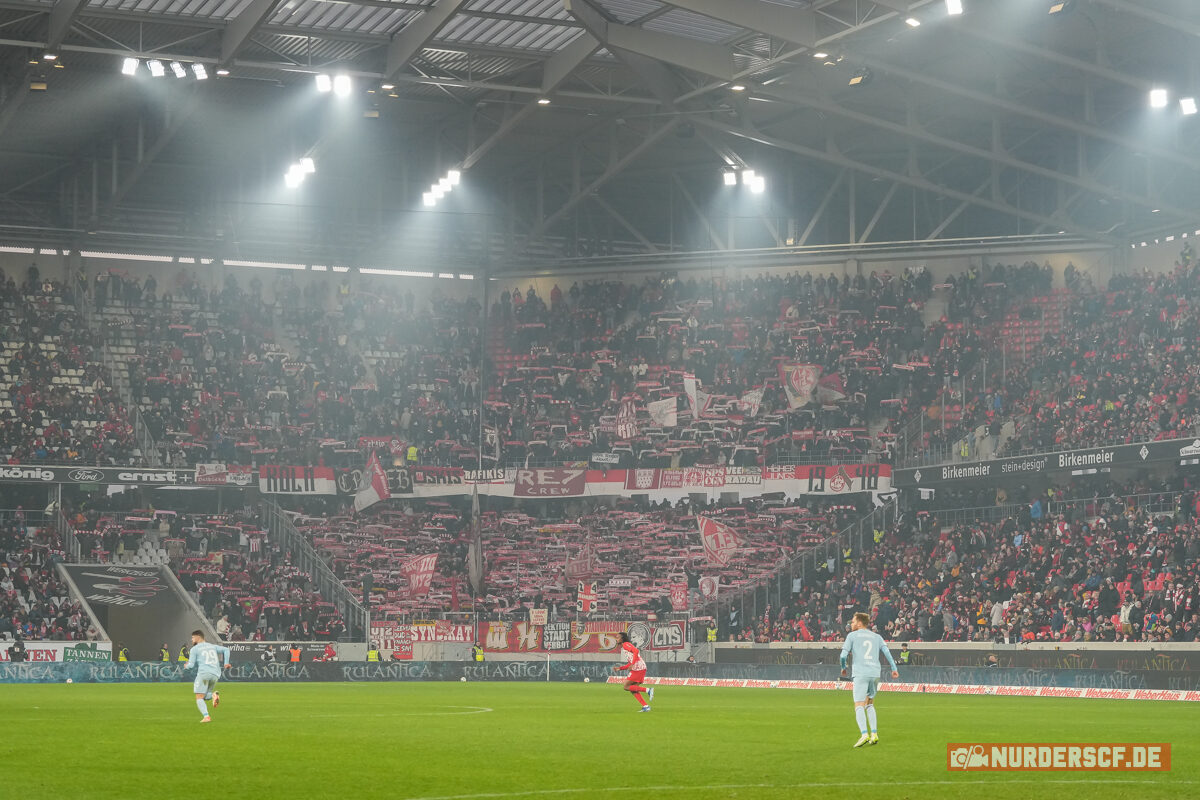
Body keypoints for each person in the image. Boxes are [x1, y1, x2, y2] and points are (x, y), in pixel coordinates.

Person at [840, 611, 898, 748]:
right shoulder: (876, 636)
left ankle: (864, 734)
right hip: (875, 673)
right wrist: (894, 669)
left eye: (853, 622)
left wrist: (843, 668)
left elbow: (843, 656)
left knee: (858, 705)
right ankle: (874, 734)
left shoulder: (852, 636)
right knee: (869, 703)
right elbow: (887, 652)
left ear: (860, 623)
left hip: (861, 673)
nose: (851, 624)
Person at [183, 630, 231, 724]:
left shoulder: (195, 649)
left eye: (192, 637)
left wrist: (186, 666)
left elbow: (191, 665)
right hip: (215, 674)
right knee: (205, 695)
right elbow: (226, 650)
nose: (191, 639)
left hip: (204, 674)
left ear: (198, 637)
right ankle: (213, 695)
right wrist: (226, 663)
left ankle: (206, 717)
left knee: (199, 697)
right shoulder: (212, 646)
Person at [612, 632, 652, 712]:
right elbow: (630, 663)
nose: (616, 639)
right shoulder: (625, 647)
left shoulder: (626, 644)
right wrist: (620, 668)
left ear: (622, 638)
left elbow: (636, 651)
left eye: (618, 637)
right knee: (633, 690)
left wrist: (632, 664)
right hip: (640, 667)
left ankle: (648, 690)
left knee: (626, 686)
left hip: (638, 667)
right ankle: (646, 706)